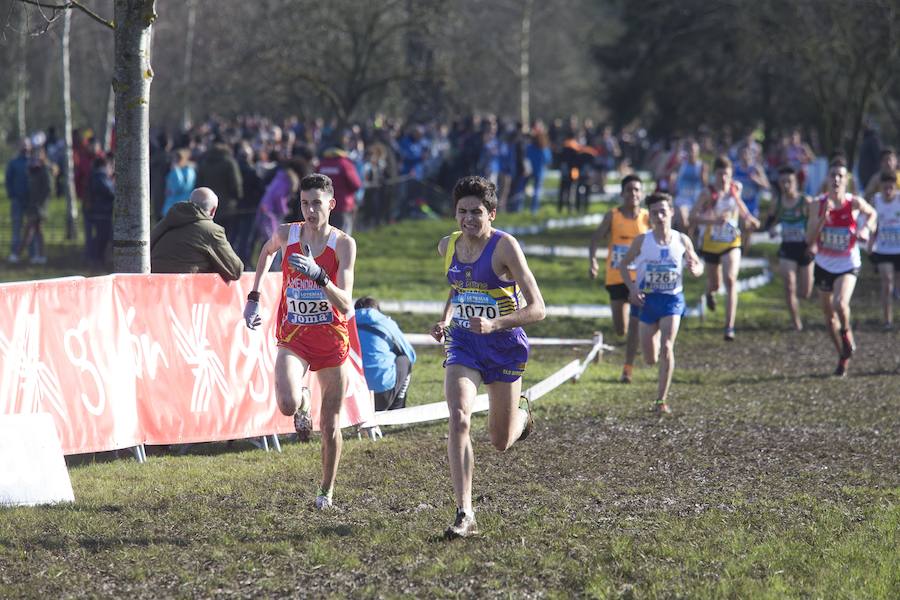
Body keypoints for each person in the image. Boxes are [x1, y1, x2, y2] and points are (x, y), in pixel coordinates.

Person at [430, 175, 545, 539]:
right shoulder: (446, 246)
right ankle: (465, 511)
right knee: (459, 417)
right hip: (464, 343)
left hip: (503, 344)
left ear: (491, 214)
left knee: (500, 440)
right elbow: (458, 286)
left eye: (476, 212)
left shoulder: (505, 247)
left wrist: (497, 324)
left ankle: (522, 413)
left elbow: (538, 308)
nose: (468, 219)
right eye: (462, 212)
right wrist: (446, 320)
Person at [243, 173, 357, 510]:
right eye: (305, 203)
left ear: (331, 205)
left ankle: (325, 491)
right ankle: (304, 400)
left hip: (332, 340)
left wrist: (319, 275)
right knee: (287, 404)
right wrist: (253, 295)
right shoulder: (287, 233)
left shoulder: (343, 244)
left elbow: (346, 303)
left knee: (331, 425)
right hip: (295, 337)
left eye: (316, 204)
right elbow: (265, 253)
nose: (310, 210)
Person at [618, 192, 704, 414]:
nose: (659, 216)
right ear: (650, 217)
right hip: (648, 300)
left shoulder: (682, 240)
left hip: (672, 300)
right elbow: (624, 266)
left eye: (663, 211)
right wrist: (633, 288)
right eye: (654, 212)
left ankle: (660, 400)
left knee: (668, 346)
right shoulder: (642, 241)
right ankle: (654, 342)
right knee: (649, 358)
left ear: (671, 213)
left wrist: (696, 269)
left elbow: (697, 263)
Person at [806, 159, 877, 377]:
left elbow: (873, 214)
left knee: (840, 302)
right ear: (827, 179)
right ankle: (842, 356)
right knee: (828, 319)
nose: (836, 179)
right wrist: (821, 219)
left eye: (840, 175)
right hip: (824, 264)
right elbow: (809, 240)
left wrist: (865, 230)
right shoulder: (818, 204)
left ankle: (847, 334)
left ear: (846, 179)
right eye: (832, 175)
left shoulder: (854, 202)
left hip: (848, 263)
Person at [691, 156, 761, 341]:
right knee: (716, 284)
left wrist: (749, 219)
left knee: (730, 279)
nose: (723, 178)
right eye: (720, 174)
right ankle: (709, 293)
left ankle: (729, 327)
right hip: (711, 243)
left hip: (732, 242)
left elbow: (741, 206)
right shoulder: (707, 193)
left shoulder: (734, 189)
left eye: (727, 175)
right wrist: (713, 221)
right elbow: (692, 217)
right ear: (714, 174)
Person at [589, 174, 650, 383]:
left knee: (634, 323)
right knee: (620, 328)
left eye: (637, 190)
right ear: (622, 193)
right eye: (629, 190)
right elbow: (595, 239)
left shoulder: (647, 218)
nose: (633, 194)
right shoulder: (613, 216)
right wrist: (593, 262)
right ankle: (638, 337)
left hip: (639, 279)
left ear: (641, 194)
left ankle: (627, 368)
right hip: (616, 277)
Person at [150, 187, 244, 281]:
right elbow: (235, 271)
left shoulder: (165, 222)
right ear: (213, 210)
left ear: (189, 202)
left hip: (152, 287)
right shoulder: (211, 231)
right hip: (185, 290)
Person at [765, 166, 814, 330]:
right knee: (789, 284)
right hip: (787, 247)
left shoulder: (805, 202)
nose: (786, 185)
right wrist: (771, 229)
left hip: (805, 248)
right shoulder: (778, 202)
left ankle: (799, 305)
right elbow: (771, 221)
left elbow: (817, 223)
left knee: (805, 292)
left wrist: (814, 244)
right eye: (783, 182)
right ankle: (796, 322)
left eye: (789, 181)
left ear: (796, 182)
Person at [354, 297, 417, 411]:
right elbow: (411, 354)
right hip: (383, 395)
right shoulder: (386, 322)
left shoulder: (346, 324)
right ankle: (397, 407)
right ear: (378, 311)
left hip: (353, 398)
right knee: (405, 359)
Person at [868, 172, 900, 329]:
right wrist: (870, 244)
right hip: (883, 249)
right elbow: (872, 225)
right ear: (880, 187)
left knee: (897, 286)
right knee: (887, 282)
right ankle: (888, 320)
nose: (888, 191)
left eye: (891, 188)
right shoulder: (876, 201)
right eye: (885, 188)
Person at [16, 146, 57, 265]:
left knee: (29, 229)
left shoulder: (45, 169)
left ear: (43, 155)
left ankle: (17, 255)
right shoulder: (34, 169)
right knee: (37, 231)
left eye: (39, 154)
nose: (36, 156)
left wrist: (41, 203)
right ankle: (39, 256)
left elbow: (49, 189)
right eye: (35, 154)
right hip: (33, 205)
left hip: (38, 207)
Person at [318, 139, 362, 235]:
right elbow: (356, 184)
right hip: (343, 206)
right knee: (341, 237)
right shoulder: (345, 164)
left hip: (324, 206)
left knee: (325, 236)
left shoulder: (322, 164)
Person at [671, 139, 707, 232]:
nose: (692, 153)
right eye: (690, 150)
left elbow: (705, 185)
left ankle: (690, 243)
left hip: (696, 200)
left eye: (694, 151)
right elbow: (671, 175)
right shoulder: (681, 164)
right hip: (682, 199)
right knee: (683, 219)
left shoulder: (702, 166)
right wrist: (672, 185)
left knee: (693, 225)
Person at [5, 138, 31, 263]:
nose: (25, 148)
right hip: (17, 200)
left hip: (32, 202)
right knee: (17, 227)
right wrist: (12, 194)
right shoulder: (14, 163)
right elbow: (8, 180)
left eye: (27, 145)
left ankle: (33, 255)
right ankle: (15, 254)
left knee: (31, 228)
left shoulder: (34, 162)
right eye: (23, 145)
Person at [161, 148, 196, 217]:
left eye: (176, 159)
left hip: (182, 204)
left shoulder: (188, 171)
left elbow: (183, 187)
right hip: (171, 204)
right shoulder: (175, 170)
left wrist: (176, 171)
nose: (174, 162)